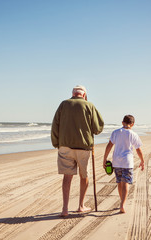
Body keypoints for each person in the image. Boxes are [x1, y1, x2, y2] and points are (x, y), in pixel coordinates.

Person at [51, 85, 104, 217]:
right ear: (84, 95)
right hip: (84, 147)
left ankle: (65, 209)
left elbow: (55, 125)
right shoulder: (89, 105)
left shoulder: (63, 104)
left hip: (65, 147)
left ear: (73, 94)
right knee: (84, 177)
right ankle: (81, 206)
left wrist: (56, 143)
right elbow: (97, 128)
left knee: (67, 178)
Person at [103, 115, 144, 213]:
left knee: (119, 182)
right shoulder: (133, 134)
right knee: (126, 182)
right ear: (132, 124)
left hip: (116, 162)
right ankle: (122, 204)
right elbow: (138, 149)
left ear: (122, 123)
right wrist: (142, 160)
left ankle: (122, 201)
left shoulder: (116, 132)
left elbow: (109, 146)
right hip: (127, 162)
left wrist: (104, 159)